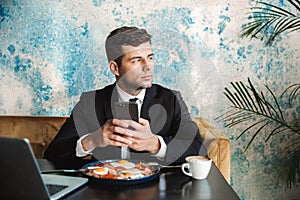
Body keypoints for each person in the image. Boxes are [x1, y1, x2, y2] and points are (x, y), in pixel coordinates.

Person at [44, 26, 207, 166]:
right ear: (115, 68)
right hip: (104, 189)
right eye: (137, 60)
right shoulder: (90, 102)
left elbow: (198, 149)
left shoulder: (171, 99)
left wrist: (154, 144)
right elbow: (52, 154)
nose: (147, 66)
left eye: (150, 58)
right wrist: (93, 140)